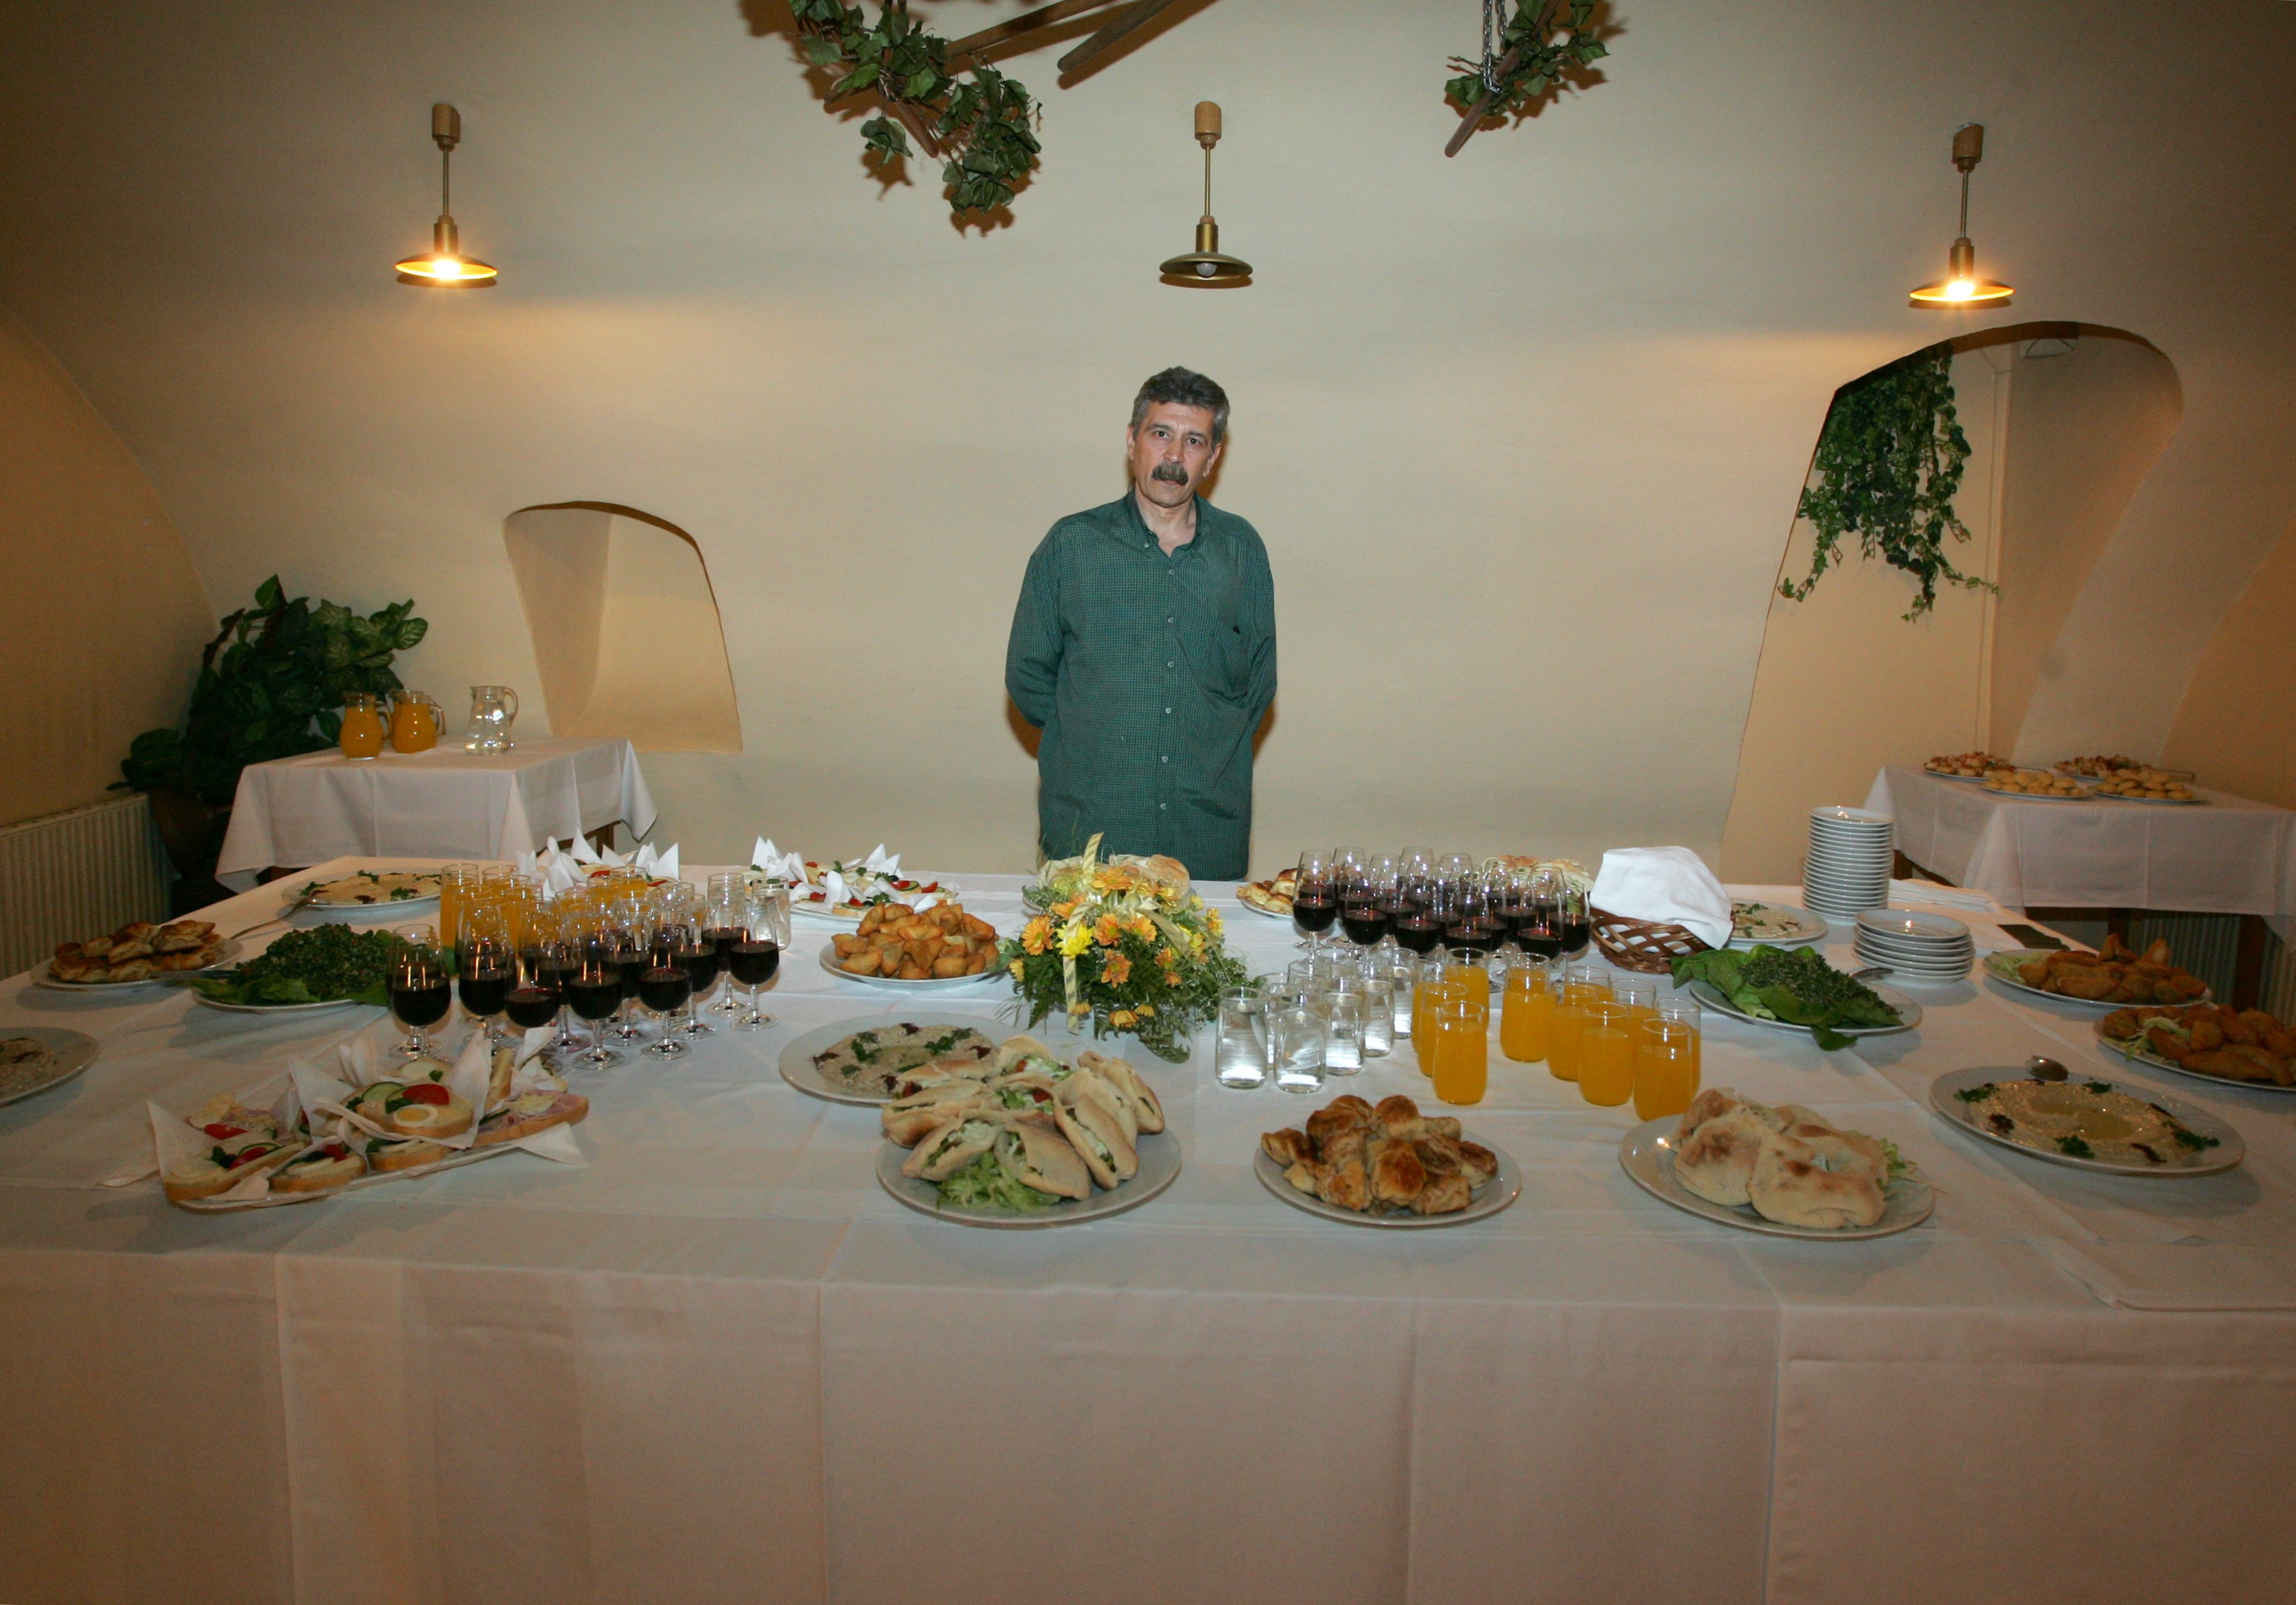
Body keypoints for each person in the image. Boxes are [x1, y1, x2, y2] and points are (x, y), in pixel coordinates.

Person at [1005, 367, 1277, 881]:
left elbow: (1259, 683)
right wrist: (1094, 740)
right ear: (1132, 441)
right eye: (1160, 434)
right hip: (1092, 832)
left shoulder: (1241, 550)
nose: (1174, 456)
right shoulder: (1070, 546)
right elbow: (1028, 677)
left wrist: (1206, 747)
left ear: (1212, 457)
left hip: (1206, 833)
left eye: (1193, 441)